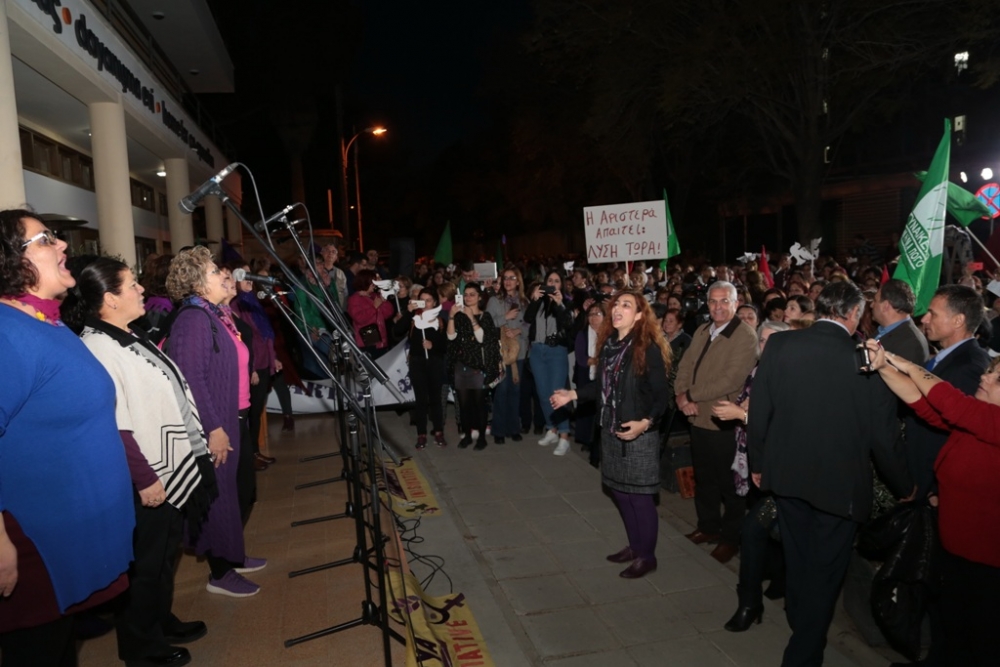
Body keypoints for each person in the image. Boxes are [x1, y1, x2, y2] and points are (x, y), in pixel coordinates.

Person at [747, 281, 913, 667]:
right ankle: (802, 654)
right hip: (839, 489)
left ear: (820, 307)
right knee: (824, 573)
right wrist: (906, 485)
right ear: (854, 314)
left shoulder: (783, 344)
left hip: (786, 477)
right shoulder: (866, 356)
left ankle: (802, 627)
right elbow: (882, 435)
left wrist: (758, 464)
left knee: (802, 561)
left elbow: (760, 412)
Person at [63, 257, 215, 667]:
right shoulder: (98, 346)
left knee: (165, 555)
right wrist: (146, 478)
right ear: (109, 299)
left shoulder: (126, 334)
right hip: (146, 474)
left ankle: (159, 620)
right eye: (131, 285)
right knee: (146, 564)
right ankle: (140, 646)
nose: (141, 290)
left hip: (164, 468)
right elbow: (118, 422)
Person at [0, 210, 134, 666]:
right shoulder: (6, 332)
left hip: (69, 534)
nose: (62, 246)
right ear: (8, 260)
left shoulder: (48, 323)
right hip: (32, 543)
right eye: (44, 240)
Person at [864, 342, 1000, 667]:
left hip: (988, 567)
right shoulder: (979, 422)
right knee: (947, 628)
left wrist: (905, 362)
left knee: (980, 643)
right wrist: (884, 367)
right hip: (953, 550)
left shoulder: (989, 422)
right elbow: (922, 403)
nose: (986, 376)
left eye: (997, 377)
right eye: (991, 370)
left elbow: (950, 402)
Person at [166, 247, 265, 598]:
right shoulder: (193, 319)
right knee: (222, 497)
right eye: (214, 272)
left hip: (235, 415)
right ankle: (220, 572)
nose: (224, 275)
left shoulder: (216, 312)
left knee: (242, 492)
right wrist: (214, 428)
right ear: (196, 284)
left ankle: (231, 552)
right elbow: (191, 377)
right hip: (218, 423)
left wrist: (231, 292)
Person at [550, 291, 671, 578]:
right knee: (619, 490)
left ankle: (647, 556)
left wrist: (646, 422)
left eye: (626, 305)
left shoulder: (647, 347)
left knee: (639, 496)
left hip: (638, 432)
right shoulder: (610, 346)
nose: (617, 308)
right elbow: (602, 390)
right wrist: (573, 394)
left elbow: (661, 397)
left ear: (640, 315)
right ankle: (635, 545)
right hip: (611, 429)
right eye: (616, 304)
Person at [712, 320, 790, 633]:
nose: (767, 347)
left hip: (782, 471)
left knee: (757, 531)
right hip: (755, 463)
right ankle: (760, 593)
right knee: (764, 533)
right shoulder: (757, 373)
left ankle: (751, 601)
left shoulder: (791, 378)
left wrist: (742, 414)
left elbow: (782, 425)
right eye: (763, 341)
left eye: (775, 342)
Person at [674, 281, 758, 563]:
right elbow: (684, 365)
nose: (718, 307)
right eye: (713, 301)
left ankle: (730, 539)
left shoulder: (745, 336)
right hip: (696, 416)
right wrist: (680, 396)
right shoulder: (702, 330)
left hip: (724, 420)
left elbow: (730, 380)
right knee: (704, 479)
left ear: (736, 303)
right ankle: (708, 527)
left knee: (730, 486)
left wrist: (690, 394)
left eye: (725, 301)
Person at [232, 263, 282, 471]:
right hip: (252, 365)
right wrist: (250, 368)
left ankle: (255, 452)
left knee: (257, 407)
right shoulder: (236, 304)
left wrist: (274, 358)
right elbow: (242, 340)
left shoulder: (252, 300)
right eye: (244, 276)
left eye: (250, 276)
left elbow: (265, 335)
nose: (249, 280)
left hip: (262, 360)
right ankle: (250, 455)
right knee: (251, 412)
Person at [525, 270, 576, 455]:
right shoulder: (539, 301)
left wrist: (560, 304)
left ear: (561, 284)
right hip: (538, 351)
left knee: (557, 394)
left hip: (556, 352)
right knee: (543, 393)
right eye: (549, 280)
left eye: (556, 281)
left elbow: (569, 324)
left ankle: (564, 436)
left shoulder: (566, 302)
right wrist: (535, 299)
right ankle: (551, 428)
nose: (553, 283)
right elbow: (527, 318)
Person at [446, 282, 502, 450]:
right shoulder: (458, 316)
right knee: (464, 404)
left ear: (479, 297)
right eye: (466, 294)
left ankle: (481, 437)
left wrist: (471, 317)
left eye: (472, 294)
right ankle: (467, 435)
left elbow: (483, 339)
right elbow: (450, 338)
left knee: (479, 403)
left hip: (479, 367)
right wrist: (451, 316)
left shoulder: (485, 317)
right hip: (462, 365)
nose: (468, 297)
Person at [394, 287, 448, 449]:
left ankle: (438, 431)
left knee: (436, 399)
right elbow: (397, 331)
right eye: (422, 300)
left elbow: (446, 345)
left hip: (435, 362)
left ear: (435, 303)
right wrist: (408, 313)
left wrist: (433, 345)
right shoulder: (414, 319)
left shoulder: (440, 321)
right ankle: (421, 433)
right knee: (421, 400)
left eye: (429, 300)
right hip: (417, 362)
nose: (425, 303)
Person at [485, 267, 528, 444]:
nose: (508, 281)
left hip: (519, 352)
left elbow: (531, 324)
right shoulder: (495, 301)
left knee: (515, 390)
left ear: (518, 281)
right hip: (501, 352)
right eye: (505, 278)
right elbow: (487, 324)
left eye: (512, 278)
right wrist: (505, 317)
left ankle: (513, 428)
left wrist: (519, 330)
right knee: (501, 391)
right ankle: (499, 430)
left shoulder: (524, 302)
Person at [573, 301, 606, 464]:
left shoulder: (610, 334)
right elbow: (581, 358)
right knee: (587, 410)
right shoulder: (583, 334)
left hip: (605, 378)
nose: (593, 318)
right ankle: (587, 440)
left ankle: (597, 447)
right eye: (591, 314)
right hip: (586, 376)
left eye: (597, 314)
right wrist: (596, 361)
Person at [872, 279, 929, 364]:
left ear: (885, 306)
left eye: (875, 301)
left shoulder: (910, 344)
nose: (871, 305)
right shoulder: (884, 329)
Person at [346, 268, 395, 359]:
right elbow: (359, 318)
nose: (375, 285)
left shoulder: (374, 296)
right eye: (373, 282)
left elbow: (388, 313)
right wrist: (374, 307)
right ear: (364, 282)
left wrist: (384, 301)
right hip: (367, 342)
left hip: (381, 341)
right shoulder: (355, 299)